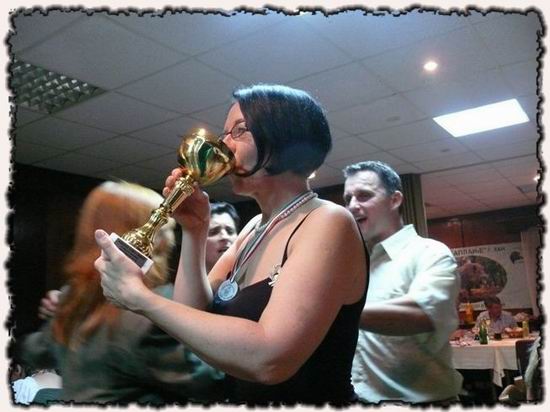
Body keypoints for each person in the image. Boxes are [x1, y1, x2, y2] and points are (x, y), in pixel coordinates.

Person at [94, 84, 368, 405]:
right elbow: (192, 316)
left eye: (239, 130)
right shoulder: (253, 227)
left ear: (284, 138)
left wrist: (139, 297)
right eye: (225, 133)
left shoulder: (328, 221)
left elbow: (270, 359)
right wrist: (195, 230)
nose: (224, 144)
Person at [19, 181, 217, 404]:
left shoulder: (71, 299)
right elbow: (211, 379)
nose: (170, 240)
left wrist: (59, 315)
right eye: (166, 228)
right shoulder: (151, 311)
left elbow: (36, 352)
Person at [342, 160, 463, 404]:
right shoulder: (352, 263)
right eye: (348, 199)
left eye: (364, 196)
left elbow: (421, 313)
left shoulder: (429, 253)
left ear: (395, 200)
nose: (353, 206)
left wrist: (332, 312)